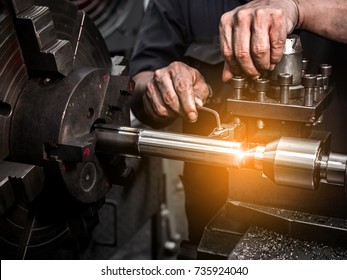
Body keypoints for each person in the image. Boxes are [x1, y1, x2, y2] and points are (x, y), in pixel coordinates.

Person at [129, 0, 347, 245]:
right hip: (214, 209)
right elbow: (140, 81)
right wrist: (158, 89)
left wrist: (300, 9)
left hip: (329, 208)